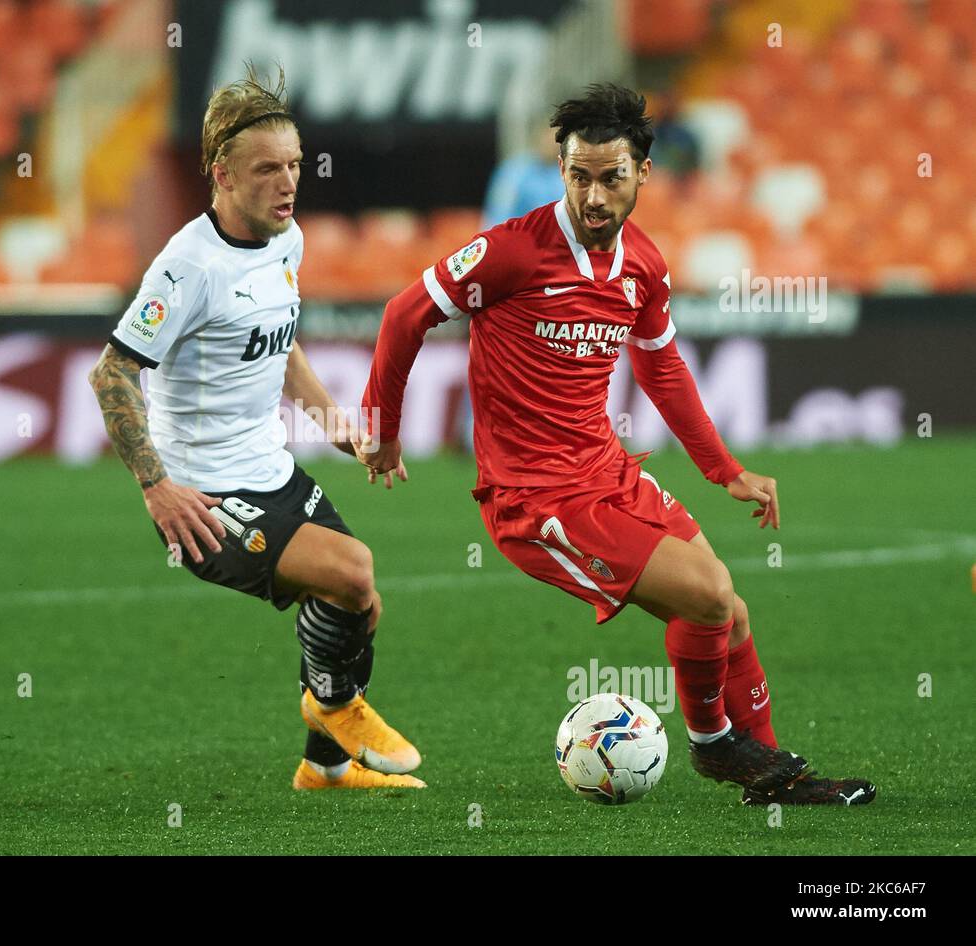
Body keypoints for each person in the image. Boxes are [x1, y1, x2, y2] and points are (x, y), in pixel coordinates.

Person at [360, 83, 874, 806]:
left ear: (643, 175)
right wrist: (382, 428)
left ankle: (769, 774)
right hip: (535, 499)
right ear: (560, 170)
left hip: (606, 471)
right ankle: (714, 746)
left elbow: (660, 365)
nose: (594, 196)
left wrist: (724, 470)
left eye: (611, 177)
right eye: (578, 176)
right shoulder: (511, 252)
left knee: (731, 614)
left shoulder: (643, 266)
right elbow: (403, 314)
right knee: (706, 597)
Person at [87, 65, 423, 790]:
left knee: (361, 608)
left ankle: (325, 767)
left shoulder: (286, 240)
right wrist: (158, 490)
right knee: (350, 575)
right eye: (268, 168)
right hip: (201, 497)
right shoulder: (187, 267)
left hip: (269, 469)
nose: (288, 182)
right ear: (223, 175)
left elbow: (281, 336)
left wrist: (331, 418)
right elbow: (112, 373)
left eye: (295, 165)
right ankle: (334, 705)